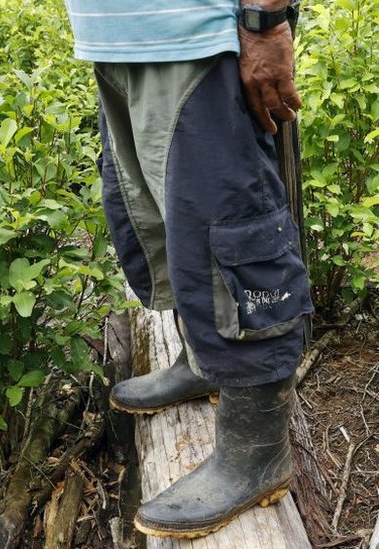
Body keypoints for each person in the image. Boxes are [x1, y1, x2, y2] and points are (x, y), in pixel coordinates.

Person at [64, 0, 314, 539]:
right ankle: (201, 361)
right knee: (164, 218)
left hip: (200, 37)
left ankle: (258, 453)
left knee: (232, 232)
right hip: (117, 40)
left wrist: (264, 20)